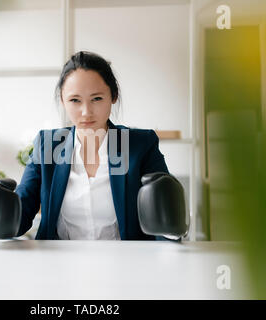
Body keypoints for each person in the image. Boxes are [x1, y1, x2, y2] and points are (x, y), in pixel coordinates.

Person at [16, 51, 170, 240]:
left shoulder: (140, 145)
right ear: (63, 101)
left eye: (96, 99)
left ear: (113, 96)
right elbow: (20, 214)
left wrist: (169, 235)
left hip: (126, 264)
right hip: (58, 264)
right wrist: (0, 212)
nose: (86, 112)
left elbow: (164, 219)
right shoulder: (48, 145)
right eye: (75, 100)